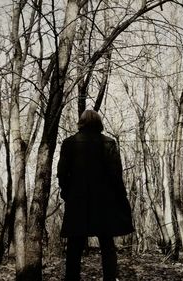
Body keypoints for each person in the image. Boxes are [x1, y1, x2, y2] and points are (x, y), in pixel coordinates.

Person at [57, 110, 135, 281]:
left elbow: (62, 174)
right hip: (104, 203)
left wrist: (68, 194)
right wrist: (120, 198)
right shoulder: (108, 143)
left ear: (81, 123)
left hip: (78, 201)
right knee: (107, 244)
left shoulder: (69, 143)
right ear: (99, 123)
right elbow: (115, 175)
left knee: (74, 246)